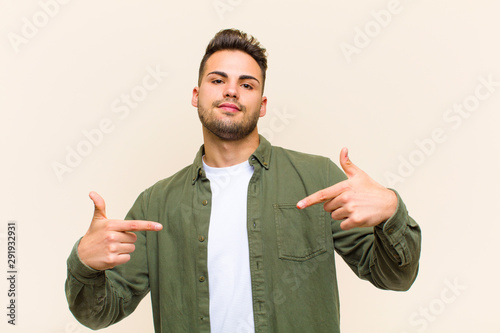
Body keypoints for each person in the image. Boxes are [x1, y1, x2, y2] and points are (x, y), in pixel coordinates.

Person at [66, 28, 421, 333]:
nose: (231, 91)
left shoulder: (317, 179)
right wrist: (85, 263)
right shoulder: (156, 204)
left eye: (246, 84)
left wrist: (391, 211)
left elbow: (395, 277)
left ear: (262, 104)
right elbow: (98, 313)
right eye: (218, 80)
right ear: (196, 95)